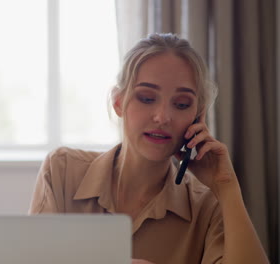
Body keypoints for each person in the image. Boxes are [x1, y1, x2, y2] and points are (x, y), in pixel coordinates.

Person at [28, 33, 269, 264]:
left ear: (197, 116)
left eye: (182, 104)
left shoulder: (208, 205)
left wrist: (227, 187)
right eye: (146, 98)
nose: (163, 117)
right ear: (118, 102)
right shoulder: (62, 171)